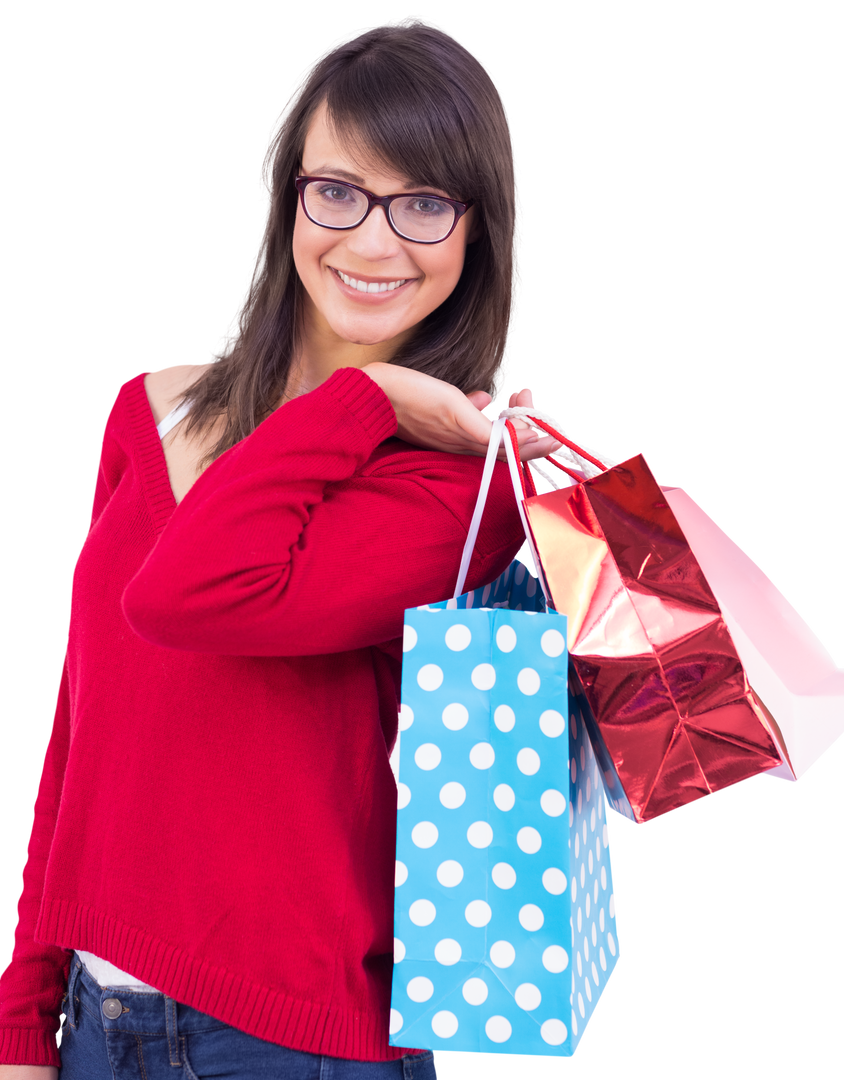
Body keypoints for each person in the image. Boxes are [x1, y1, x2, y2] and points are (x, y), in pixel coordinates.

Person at [0, 14, 563, 1079]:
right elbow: (78, 739)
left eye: (425, 204)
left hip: (292, 1040)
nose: (372, 241)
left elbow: (192, 594)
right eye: (338, 191)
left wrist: (362, 397)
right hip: (90, 1021)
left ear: (478, 230)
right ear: (287, 195)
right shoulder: (146, 412)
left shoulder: (457, 486)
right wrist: (26, 1022)